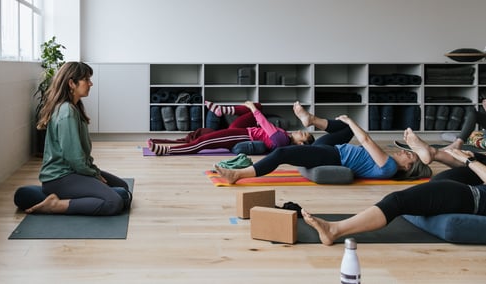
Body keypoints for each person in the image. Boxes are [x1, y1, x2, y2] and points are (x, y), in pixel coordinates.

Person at [301, 146, 486, 245]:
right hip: (467, 187)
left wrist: (469, 161)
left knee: (397, 201)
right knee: (438, 182)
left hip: (474, 197)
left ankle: (335, 230)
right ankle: (430, 153)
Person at [24, 61, 131, 216]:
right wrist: (94, 175)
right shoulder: (66, 111)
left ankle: (71, 197)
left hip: (74, 172)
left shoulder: (74, 107)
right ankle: (55, 204)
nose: (90, 83)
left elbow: (80, 158)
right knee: (114, 202)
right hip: (60, 178)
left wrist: (94, 171)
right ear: (71, 83)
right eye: (86, 79)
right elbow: (74, 157)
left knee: (122, 188)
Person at [214, 115, 431, 184]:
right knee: (346, 128)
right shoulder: (390, 165)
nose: (404, 152)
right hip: (332, 149)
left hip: (333, 156)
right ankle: (310, 120)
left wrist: (352, 120)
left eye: (408, 154)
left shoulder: (390, 167)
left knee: (282, 154)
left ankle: (238, 175)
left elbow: (364, 139)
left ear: (408, 166)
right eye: (407, 151)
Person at [147, 101, 315, 156]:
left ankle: (168, 151)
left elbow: (265, 124)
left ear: (300, 144)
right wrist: (254, 108)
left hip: (242, 136)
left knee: (204, 142)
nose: (300, 131)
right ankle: (223, 110)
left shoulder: (282, 140)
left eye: (303, 135)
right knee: (257, 105)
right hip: (244, 131)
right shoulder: (285, 136)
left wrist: (254, 110)